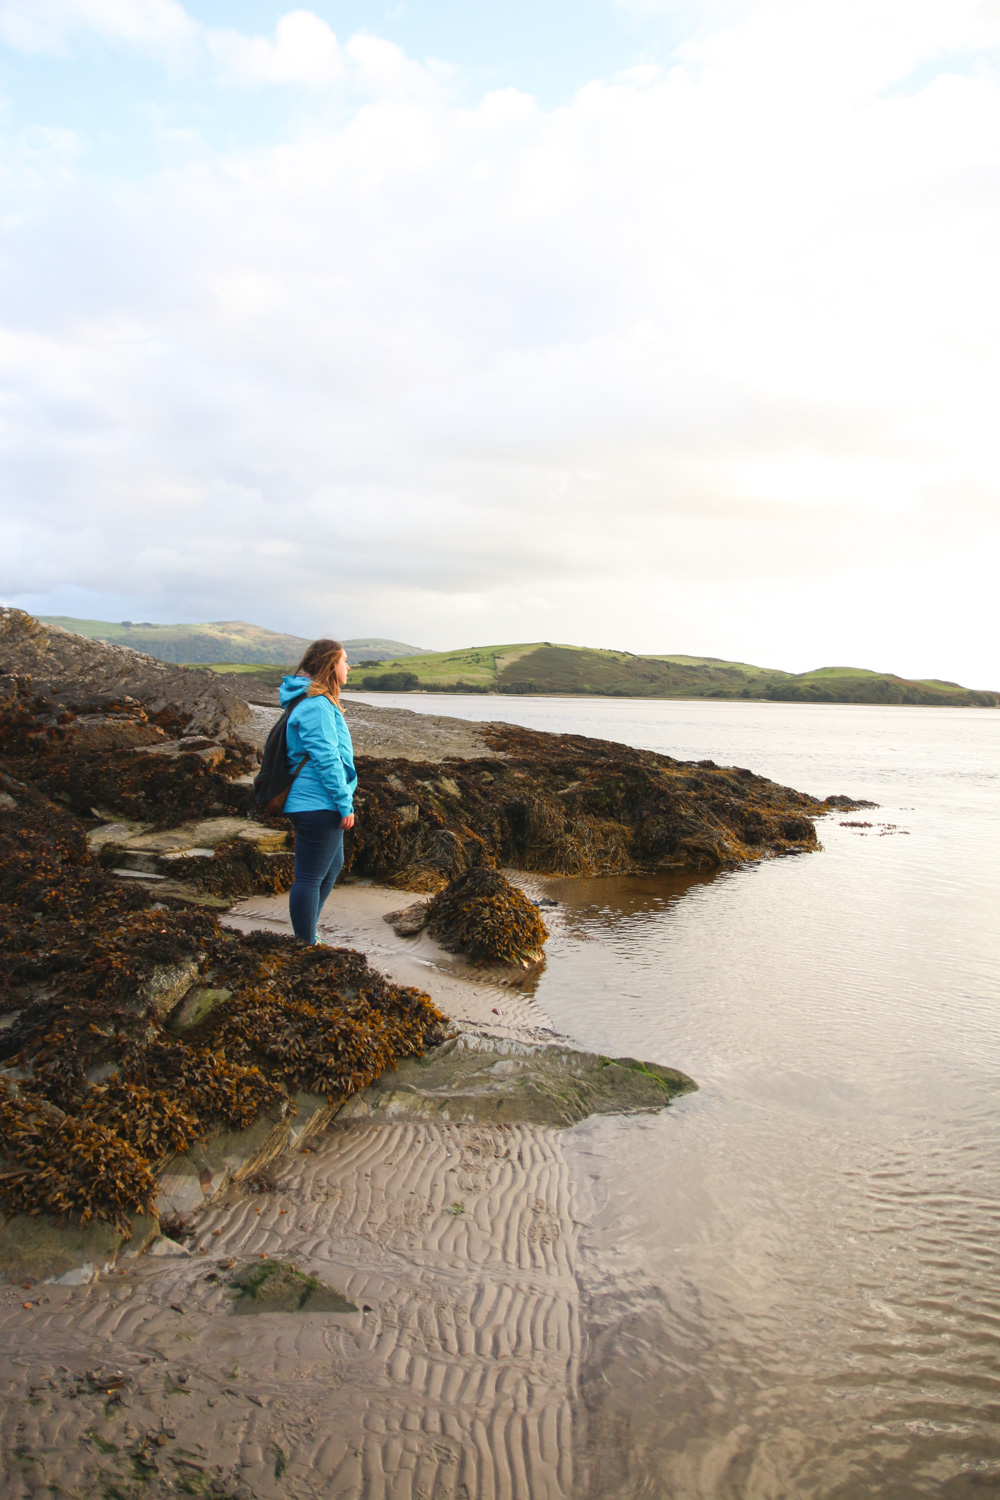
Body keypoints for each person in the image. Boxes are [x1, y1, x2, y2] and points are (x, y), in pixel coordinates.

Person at [279, 639, 357, 944]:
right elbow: (327, 759)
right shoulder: (316, 705)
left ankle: (308, 931)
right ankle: (305, 941)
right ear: (330, 665)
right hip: (317, 803)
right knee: (309, 877)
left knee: (332, 865)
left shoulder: (314, 701)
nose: (348, 667)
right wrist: (344, 802)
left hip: (314, 801)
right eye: (344, 661)